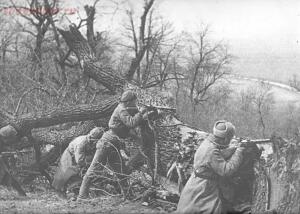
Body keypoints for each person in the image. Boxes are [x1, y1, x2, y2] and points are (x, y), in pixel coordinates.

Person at [77, 90, 149, 200]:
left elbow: (129, 124)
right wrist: (141, 113)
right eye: (134, 101)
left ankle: (128, 195)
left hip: (113, 144)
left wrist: (141, 115)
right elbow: (131, 123)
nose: (135, 103)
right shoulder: (121, 110)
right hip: (107, 143)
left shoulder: (124, 108)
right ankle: (81, 196)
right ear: (129, 101)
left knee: (121, 171)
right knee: (93, 170)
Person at [176, 120, 246, 214]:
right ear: (225, 139)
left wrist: (234, 148)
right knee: (212, 209)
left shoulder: (207, 143)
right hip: (203, 188)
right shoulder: (212, 150)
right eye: (229, 139)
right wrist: (239, 152)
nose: (229, 141)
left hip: (196, 183)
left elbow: (218, 155)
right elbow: (226, 170)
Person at [52, 127, 104, 197]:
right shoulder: (81, 143)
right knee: (63, 174)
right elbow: (79, 161)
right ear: (93, 138)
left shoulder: (93, 141)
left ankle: (74, 191)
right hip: (70, 155)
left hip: (83, 155)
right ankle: (58, 192)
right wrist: (90, 163)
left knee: (77, 174)